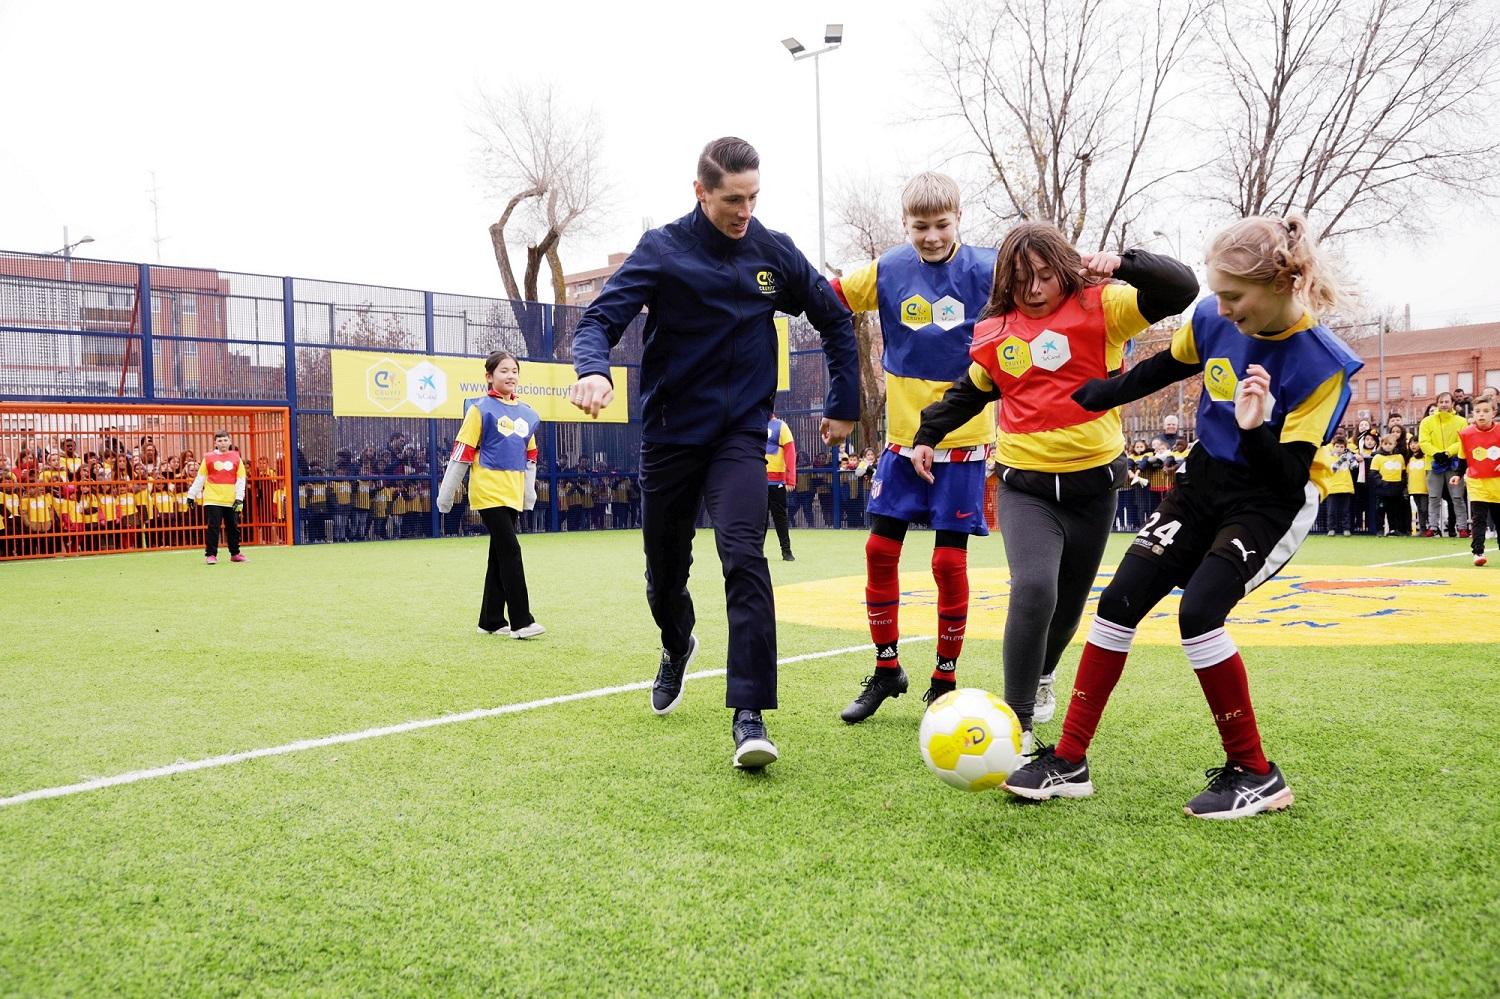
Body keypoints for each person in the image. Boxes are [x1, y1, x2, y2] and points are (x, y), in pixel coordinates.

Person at [1004, 213, 1362, 819]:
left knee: (1199, 613)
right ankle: (1068, 759)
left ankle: (1256, 773)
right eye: (1217, 294)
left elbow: (1285, 474)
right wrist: (1102, 394)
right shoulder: (1210, 319)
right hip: (1202, 483)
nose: (1221, 309)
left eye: (1233, 296)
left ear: (1283, 284)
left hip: (1271, 498)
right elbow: (1168, 365)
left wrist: (1253, 429)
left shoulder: (1323, 364)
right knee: (1118, 602)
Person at [567, 136, 859, 770]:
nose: (745, 210)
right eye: (733, 199)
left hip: (739, 434)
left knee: (743, 554)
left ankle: (749, 714)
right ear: (700, 192)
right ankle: (677, 642)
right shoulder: (663, 251)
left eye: (754, 197)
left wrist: (845, 402)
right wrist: (593, 369)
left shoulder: (772, 252)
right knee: (665, 573)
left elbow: (835, 317)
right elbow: (598, 321)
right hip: (670, 434)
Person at [912, 222, 1197, 735]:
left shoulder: (1103, 307)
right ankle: (1014, 723)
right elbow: (970, 392)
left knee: (1068, 606)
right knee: (1035, 588)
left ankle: (1043, 674)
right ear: (1006, 282)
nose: (1036, 289)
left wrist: (1124, 263)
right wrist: (927, 434)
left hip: (1095, 484)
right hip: (1027, 487)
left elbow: (1181, 288)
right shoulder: (996, 332)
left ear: (1064, 272)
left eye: (1046, 276)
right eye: (1023, 279)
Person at [827, 171, 999, 721]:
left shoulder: (989, 268)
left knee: (949, 562)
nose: (930, 235)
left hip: (965, 441)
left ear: (959, 219)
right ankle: (886, 669)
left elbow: (1049, 290)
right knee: (879, 552)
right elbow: (827, 296)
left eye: (941, 224)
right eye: (919, 225)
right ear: (905, 224)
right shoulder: (887, 269)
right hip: (902, 441)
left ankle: (944, 679)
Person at [439, 351, 544, 639]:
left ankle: (491, 619)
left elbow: (530, 457)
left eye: (514, 371)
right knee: (510, 551)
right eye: (503, 371)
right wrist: (446, 494)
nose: (510, 376)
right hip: (488, 493)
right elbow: (461, 453)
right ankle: (522, 621)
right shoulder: (479, 410)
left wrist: (528, 494)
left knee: (499, 556)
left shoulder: (527, 414)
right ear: (489, 376)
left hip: (512, 494)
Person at [187, 430, 247, 565]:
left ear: (230, 441)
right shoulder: (208, 458)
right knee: (213, 527)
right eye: (220, 441)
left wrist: (239, 498)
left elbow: (241, 479)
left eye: (225, 440)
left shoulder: (236, 458)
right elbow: (200, 478)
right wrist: (191, 495)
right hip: (212, 498)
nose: (223, 443)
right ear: (215, 443)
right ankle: (211, 554)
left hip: (230, 499)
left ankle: (235, 553)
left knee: (233, 527)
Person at [1455, 395, 1499, 565]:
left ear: (1493, 413)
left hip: (1497, 483)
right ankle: (1478, 552)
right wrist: (1458, 474)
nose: (1482, 415)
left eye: (1486, 411)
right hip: (1477, 481)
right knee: (1478, 518)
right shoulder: (1466, 434)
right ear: (1473, 414)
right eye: (1478, 411)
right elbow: (1462, 456)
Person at [1420, 392, 1469, 538]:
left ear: (1452, 403)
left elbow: (1462, 441)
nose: (1444, 404)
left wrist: (1447, 453)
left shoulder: (1461, 421)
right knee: (1433, 497)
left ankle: (1462, 527)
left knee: (1457, 497)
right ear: (1437, 403)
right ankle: (1433, 526)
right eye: (1441, 402)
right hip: (1433, 463)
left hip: (1453, 462)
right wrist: (1436, 453)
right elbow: (1423, 442)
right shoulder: (1427, 421)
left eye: (1447, 401)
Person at [764, 413, 797, 561]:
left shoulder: (781, 426)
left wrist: (790, 480)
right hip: (758, 481)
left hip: (776, 481)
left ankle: (786, 551)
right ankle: (756, 552)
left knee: (780, 517)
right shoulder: (753, 424)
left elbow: (790, 452)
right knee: (759, 520)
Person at [1371, 433, 1410, 536]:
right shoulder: (1377, 457)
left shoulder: (1399, 457)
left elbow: (1403, 473)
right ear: (1382, 444)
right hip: (1383, 489)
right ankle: (1379, 529)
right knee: (1380, 510)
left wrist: (1402, 484)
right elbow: (1373, 473)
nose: (1388, 446)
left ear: (1395, 444)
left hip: (1396, 489)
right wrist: (1382, 483)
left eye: (1390, 444)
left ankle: (1393, 529)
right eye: (1385, 443)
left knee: (1394, 510)